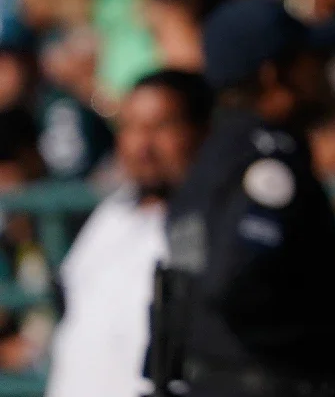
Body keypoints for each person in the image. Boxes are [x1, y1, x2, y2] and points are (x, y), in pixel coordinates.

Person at [147, 0, 335, 397]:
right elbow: (234, 284)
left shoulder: (208, 157)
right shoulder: (268, 161)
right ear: (274, 75)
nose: (321, 69)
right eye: (309, 59)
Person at [45, 70, 212, 397]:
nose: (142, 145)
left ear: (202, 132)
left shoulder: (214, 224)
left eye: (161, 127)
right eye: (131, 127)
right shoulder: (109, 216)